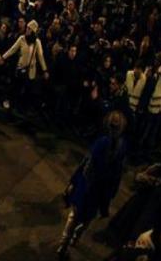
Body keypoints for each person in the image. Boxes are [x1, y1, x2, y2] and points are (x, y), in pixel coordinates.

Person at [58, 110, 129, 258]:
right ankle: (76, 237)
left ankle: (64, 243)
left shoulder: (101, 142)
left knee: (74, 215)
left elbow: (87, 163)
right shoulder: (122, 146)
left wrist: (74, 181)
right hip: (101, 191)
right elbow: (118, 173)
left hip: (87, 185)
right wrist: (111, 193)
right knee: (87, 218)